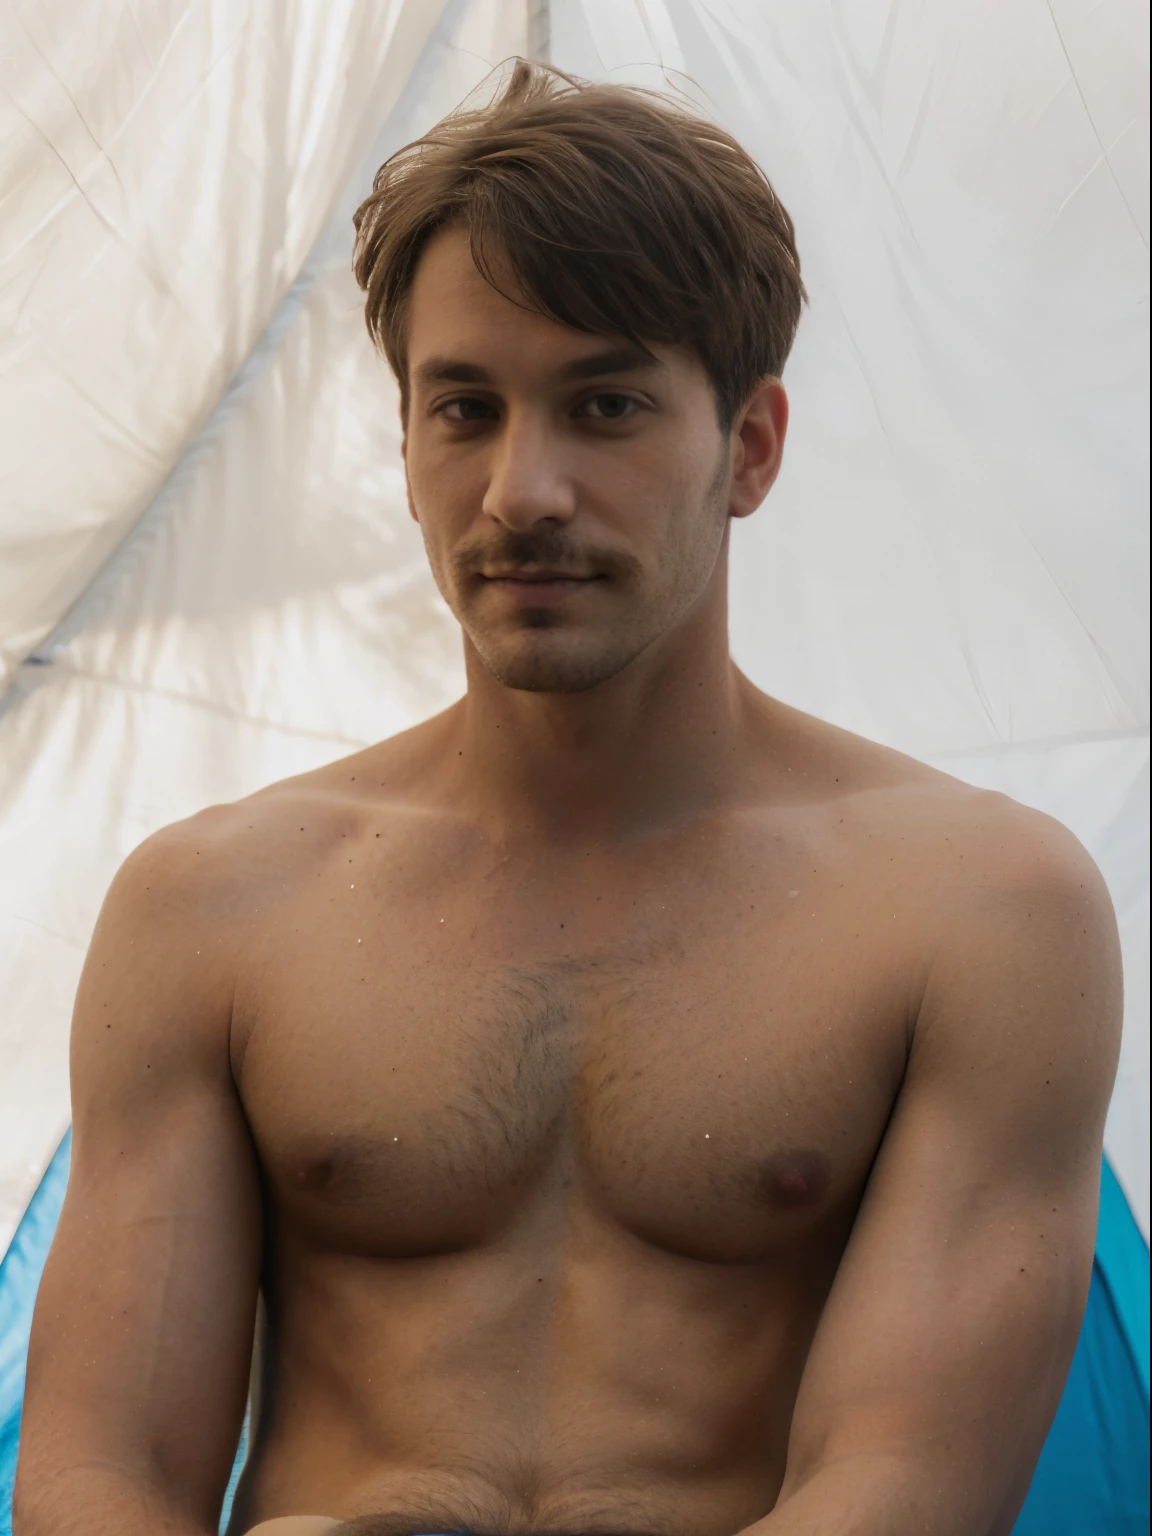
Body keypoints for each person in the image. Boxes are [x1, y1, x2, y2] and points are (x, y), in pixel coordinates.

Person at [14, 60, 1122, 1536]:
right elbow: (101, 1478)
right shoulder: (214, 906)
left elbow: (903, 1488)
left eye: (604, 405)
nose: (522, 490)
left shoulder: (980, 914)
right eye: (463, 408)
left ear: (752, 447)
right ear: (405, 451)